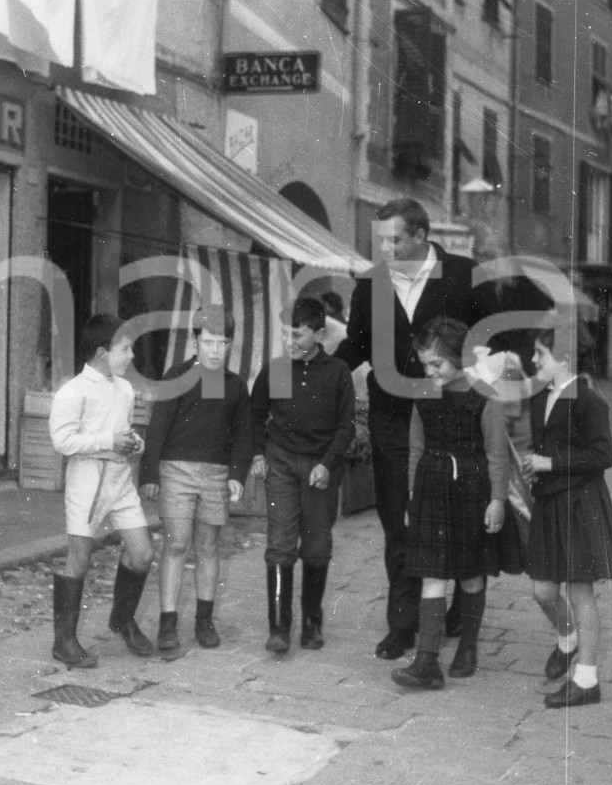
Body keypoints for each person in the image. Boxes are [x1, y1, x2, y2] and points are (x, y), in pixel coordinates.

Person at [334, 198, 484, 660]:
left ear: (421, 236)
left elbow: (490, 344)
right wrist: (320, 374)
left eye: (395, 239)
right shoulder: (370, 284)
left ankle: (459, 606)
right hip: (393, 419)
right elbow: (356, 345)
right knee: (398, 516)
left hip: (453, 419)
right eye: (381, 240)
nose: (386, 249)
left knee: (457, 516)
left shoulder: (464, 276)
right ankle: (403, 621)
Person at [390, 318, 508, 690]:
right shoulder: (424, 396)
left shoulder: (484, 396)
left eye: (436, 364)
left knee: (471, 573)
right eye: (425, 364)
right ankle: (426, 661)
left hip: (471, 490)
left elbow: (496, 454)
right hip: (431, 488)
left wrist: (497, 500)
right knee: (432, 572)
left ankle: (468, 647)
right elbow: (415, 449)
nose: (430, 371)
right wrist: (412, 496)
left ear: (458, 356)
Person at [522, 320, 612, 708]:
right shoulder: (540, 398)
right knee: (542, 589)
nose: (533, 360)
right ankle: (567, 639)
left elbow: (604, 456)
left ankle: (587, 679)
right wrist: (536, 466)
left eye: (540, 354)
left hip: (582, 504)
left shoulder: (589, 400)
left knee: (580, 590)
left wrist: (549, 463)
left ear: (564, 357)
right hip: (551, 502)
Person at [139, 305, 252, 654]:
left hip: (215, 475)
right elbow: (158, 425)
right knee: (175, 543)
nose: (216, 350)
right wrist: (149, 472)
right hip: (176, 470)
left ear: (230, 344)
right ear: (195, 341)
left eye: (223, 343)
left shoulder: (235, 387)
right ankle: (167, 622)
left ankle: (204, 619)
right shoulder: (177, 376)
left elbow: (243, 435)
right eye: (209, 342)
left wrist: (236, 474)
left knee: (208, 547)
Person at [250, 296, 355, 653]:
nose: (291, 343)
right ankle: (279, 627)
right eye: (286, 335)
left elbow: (346, 427)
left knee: (316, 548)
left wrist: (327, 463)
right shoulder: (276, 370)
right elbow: (254, 415)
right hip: (280, 463)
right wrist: (256, 454)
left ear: (320, 334)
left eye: (299, 335)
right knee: (279, 544)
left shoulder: (337, 372)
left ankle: (312, 622)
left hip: (319, 469)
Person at [48, 314, 154, 668]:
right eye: (125, 349)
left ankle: (122, 619)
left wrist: (134, 444)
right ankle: (64, 641)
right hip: (88, 483)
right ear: (101, 352)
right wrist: (109, 441)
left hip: (120, 482)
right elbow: (63, 441)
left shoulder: (123, 388)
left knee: (141, 554)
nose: (132, 356)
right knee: (79, 558)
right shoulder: (72, 391)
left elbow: (122, 430)